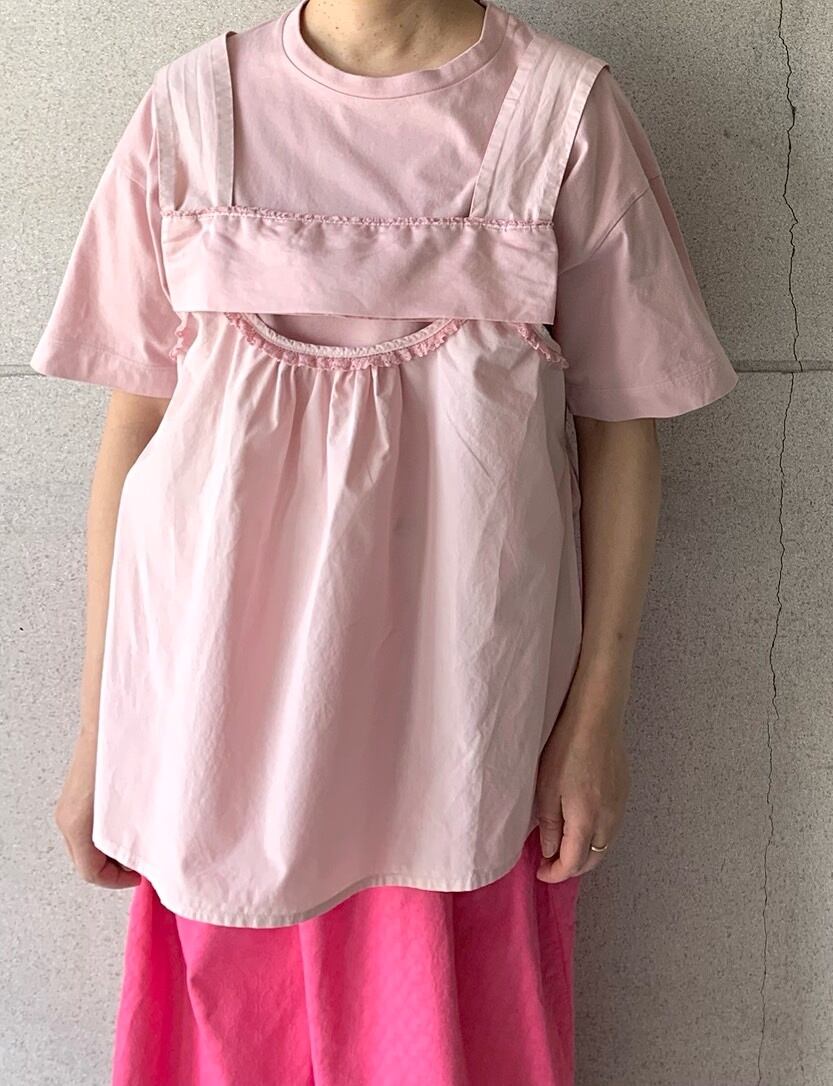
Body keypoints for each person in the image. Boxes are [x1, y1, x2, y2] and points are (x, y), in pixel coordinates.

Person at [27, 0, 738, 1081]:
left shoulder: (560, 116)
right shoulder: (192, 112)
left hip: (460, 739)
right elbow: (134, 434)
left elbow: (621, 432)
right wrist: (99, 735)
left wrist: (596, 718)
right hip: (212, 740)